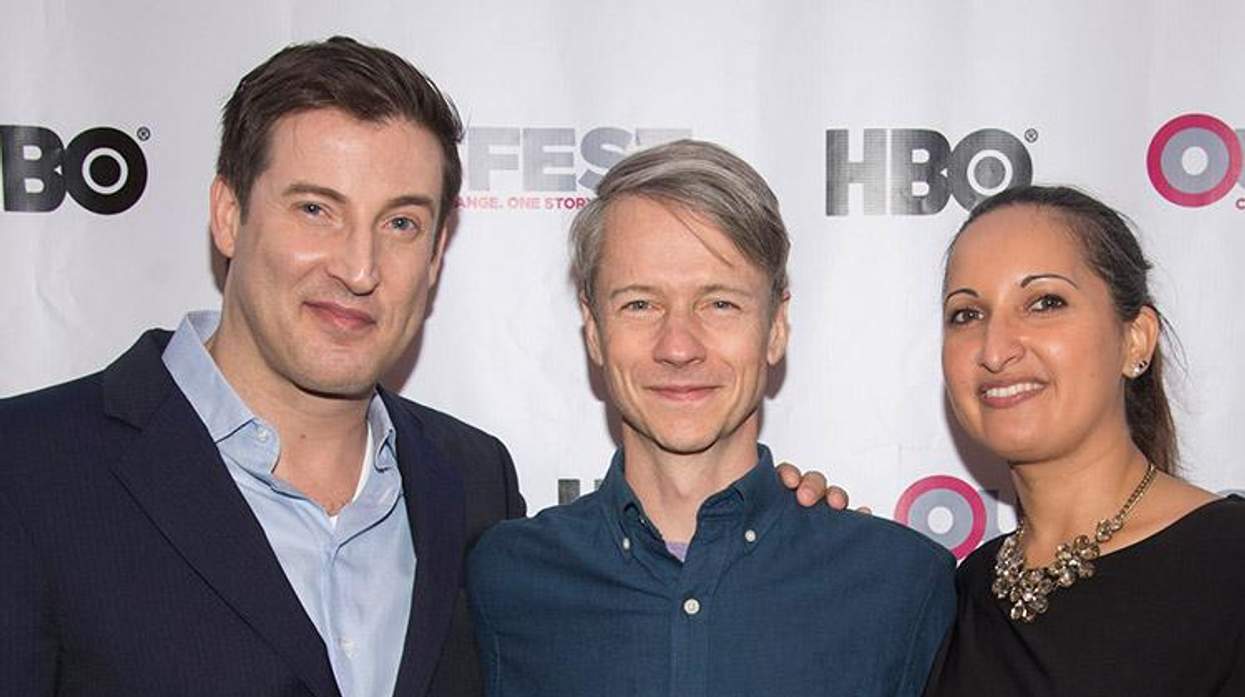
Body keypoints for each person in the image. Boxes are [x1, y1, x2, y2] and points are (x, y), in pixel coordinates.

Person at [0, 37, 838, 697]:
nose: (358, 266)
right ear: (228, 213)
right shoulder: (29, 469)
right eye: (316, 210)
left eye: (400, 223)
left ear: (438, 250)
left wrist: (787, 526)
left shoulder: (471, 483)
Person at [467, 139, 956, 697]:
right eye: (640, 304)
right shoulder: (504, 580)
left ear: (775, 326)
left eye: (720, 303)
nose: (679, 347)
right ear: (593, 327)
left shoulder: (900, 583)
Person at [924, 185, 1245, 696]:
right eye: (967, 313)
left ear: (1135, 339)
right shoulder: (964, 589)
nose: (995, 348)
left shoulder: (1230, 564)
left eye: (1045, 303)